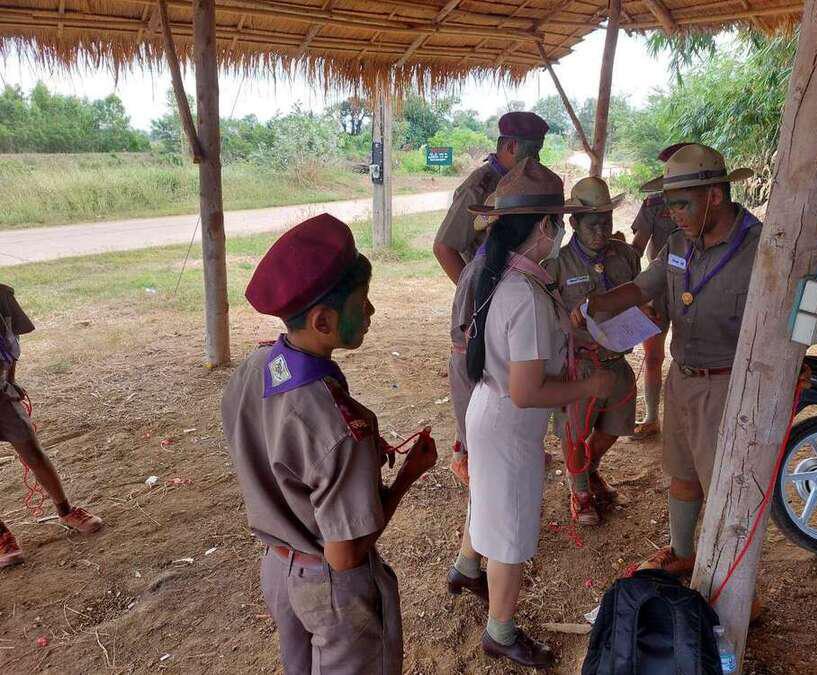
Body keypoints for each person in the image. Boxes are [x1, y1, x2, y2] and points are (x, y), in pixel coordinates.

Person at [221, 214, 437, 675]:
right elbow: (346, 555)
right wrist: (407, 476)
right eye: (363, 301)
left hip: (278, 569)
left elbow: (275, 451)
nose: (372, 311)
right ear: (323, 320)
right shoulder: (341, 428)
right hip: (329, 590)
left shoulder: (255, 367)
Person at [448, 158, 614, 669]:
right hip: (509, 422)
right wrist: (588, 385)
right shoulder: (524, 293)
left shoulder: (503, 273)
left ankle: (465, 568)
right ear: (544, 227)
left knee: (489, 500)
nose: (559, 231)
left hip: (488, 409)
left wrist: (566, 337)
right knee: (511, 534)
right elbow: (526, 391)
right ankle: (500, 631)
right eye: (558, 222)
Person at [583, 144, 758, 577]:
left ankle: (729, 582)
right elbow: (643, 287)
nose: (673, 214)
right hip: (682, 376)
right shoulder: (680, 243)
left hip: (728, 385)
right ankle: (682, 551)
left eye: (682, 204)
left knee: (725, 488)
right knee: (682, 473)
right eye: (669, 205)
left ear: (714, 196)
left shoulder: (758, 248)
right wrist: (596, 303)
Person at [544, 177, 640, 525]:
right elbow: (544, 315)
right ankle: (581, 492)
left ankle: (588, 467)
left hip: (616, 360)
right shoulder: (557, 263)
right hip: (580, 364)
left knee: (616, 426)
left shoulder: (626, 256)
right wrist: (567, 321)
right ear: (574, 223)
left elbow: (639, 297)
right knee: (575, 432)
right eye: (592, 226)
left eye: (606, 223)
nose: (601, 233)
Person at [0, 285, 103, 568]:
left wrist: (11, 380)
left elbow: (12, 341)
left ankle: (66, 510)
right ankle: (2, 535)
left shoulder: (2, 296)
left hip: (1, 393)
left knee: (31, 450)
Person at [432, 111, 549, 284]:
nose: (537, 159)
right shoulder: (479, 187)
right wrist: (474, 292)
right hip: (491, 285)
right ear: (512, 147)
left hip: (516, 283)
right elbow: (444, 248)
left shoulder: (520, 182)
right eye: (534, 151)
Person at [629, 143, 690, 440]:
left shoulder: (706, 205)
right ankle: (652, 417)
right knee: (653, 356)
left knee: (692, 358)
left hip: (697, 286)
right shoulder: (653, 204)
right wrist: (633, 290)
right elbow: (637, 248)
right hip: (659, 288)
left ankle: (687, 421)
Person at [447, 199, 495, 483]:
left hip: (481, 361)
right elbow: (469, 333)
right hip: (471, 363)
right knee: (476, 432)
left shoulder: (496, 267)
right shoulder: (478, 271)